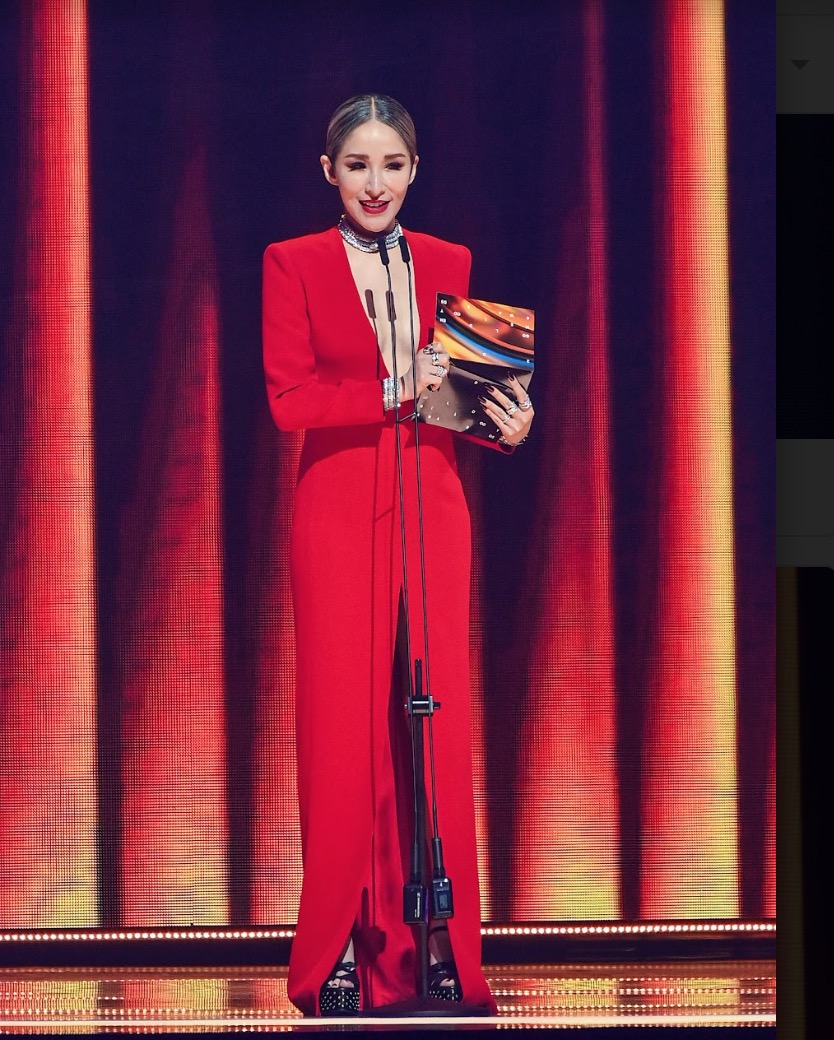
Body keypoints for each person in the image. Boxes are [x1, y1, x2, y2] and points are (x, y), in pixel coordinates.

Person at [261, 93, 534, 1018]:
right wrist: (391, 386)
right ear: (328, 173)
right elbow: (290, 402)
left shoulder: (450, 261)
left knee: (435, 722)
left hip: (432, 502)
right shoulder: (292, 261)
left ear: (415, 170)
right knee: (342, 727)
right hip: (338, 509)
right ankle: (336, 947)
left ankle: (441, 951)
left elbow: (458, 400)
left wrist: (506, 425)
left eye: (391, 165)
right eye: (357, 166)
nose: (374, 184)